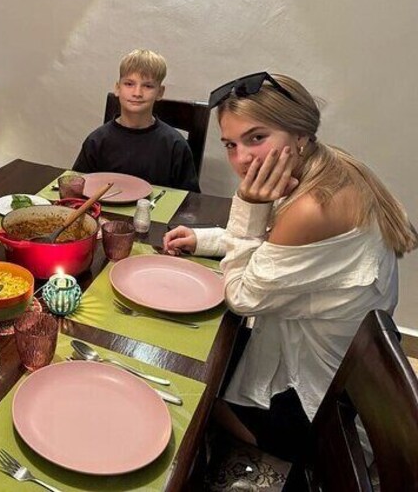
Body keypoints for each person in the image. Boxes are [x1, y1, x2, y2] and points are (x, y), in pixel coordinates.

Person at [163, 72, 417, 460]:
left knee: (181, 390)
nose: (241, 159)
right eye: (231, 144)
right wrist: (205, 239)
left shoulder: (313, 207)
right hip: (350, 376)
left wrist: (248, 202)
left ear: (300, 133)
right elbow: (272, 246)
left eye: (256, 137)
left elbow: (242, 296)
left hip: (320, 407)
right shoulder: (329, 166)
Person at [73, 49, 200, 192]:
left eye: (148, 86)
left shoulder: (175, 145)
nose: (137, 93)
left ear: (160, 92)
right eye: (129, 84)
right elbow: (76, 190)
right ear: (117, 88)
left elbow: (190, 203)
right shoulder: (97, 141)